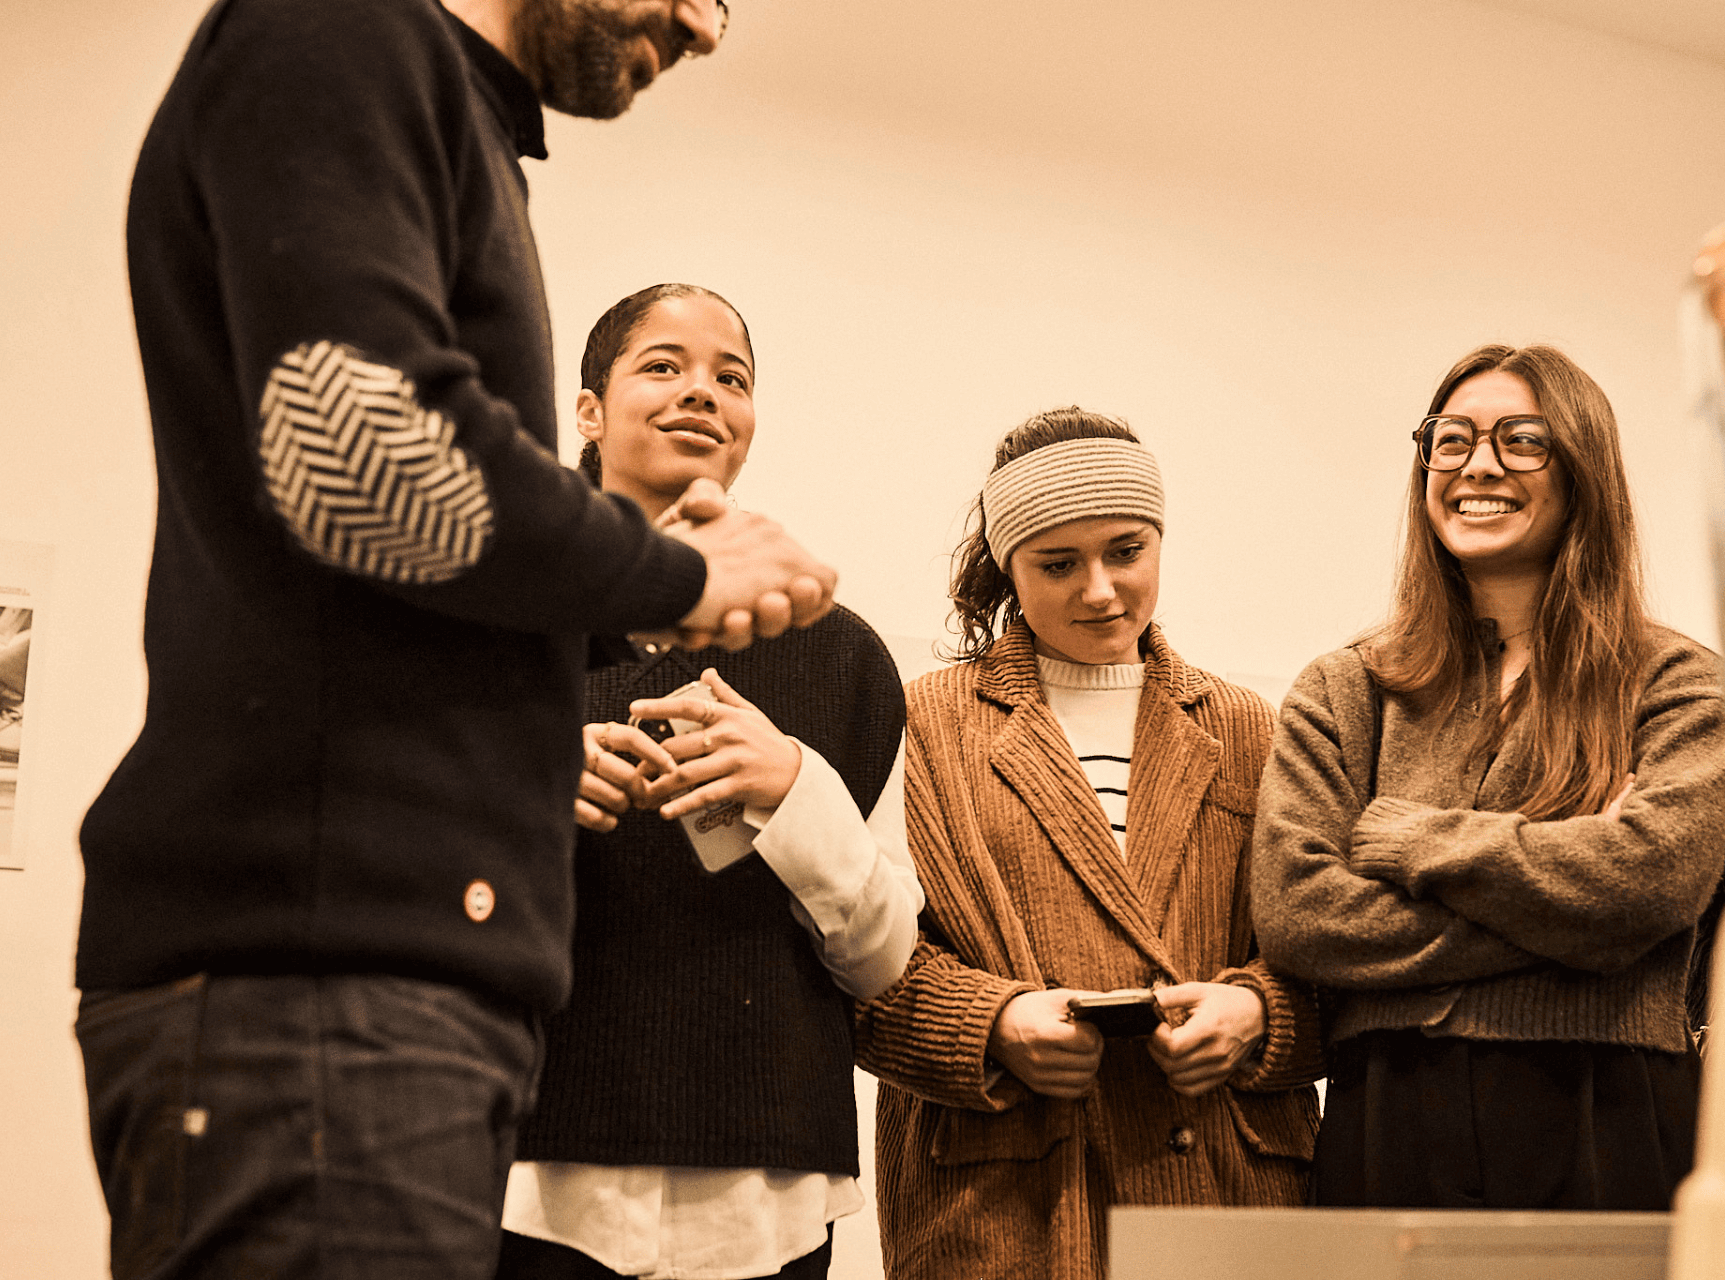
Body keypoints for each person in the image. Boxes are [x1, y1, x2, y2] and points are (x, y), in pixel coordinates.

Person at [73, 4, 837, 1277]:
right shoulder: (342, 28)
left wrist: (627, 601)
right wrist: (678, 569)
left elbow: (380, 547)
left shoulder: (446, 104)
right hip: (327, 989)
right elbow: (363, 454)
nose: (704, 26)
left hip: (383, 998)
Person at [492, 283, 923, 1280]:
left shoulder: (847, 659)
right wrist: (526, 787)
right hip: (522, 1166)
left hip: (768, 1193)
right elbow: (392, 862)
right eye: (664, 366)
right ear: (589, 409)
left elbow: (885, 958)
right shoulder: (500, 621)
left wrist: (794, 786)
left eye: (732, 378)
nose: (703, 393)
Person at [1251, 343, 1725, 1210]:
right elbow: (1299, 915)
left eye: (1522, 440)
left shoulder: (1677, 682)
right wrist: (1580, 909)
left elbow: (1652, 884)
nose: (1479, 465)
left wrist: (1408, 838)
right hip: (1387, 1113)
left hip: (1609, 1107)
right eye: (1452, 439)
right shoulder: (1343, 690)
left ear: (1583, 469)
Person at [855, 410, 1323, 1280]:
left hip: (1225, 1185)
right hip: (1005, 1203)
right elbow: (855, 963)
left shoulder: (1249, 727)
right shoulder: (922, 726)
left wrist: (1257, 1015)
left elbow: (1325, 956)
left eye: (1126, 551)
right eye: (1058, 564)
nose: (1101, 590)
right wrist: (990, 1025)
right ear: (1008, 566)